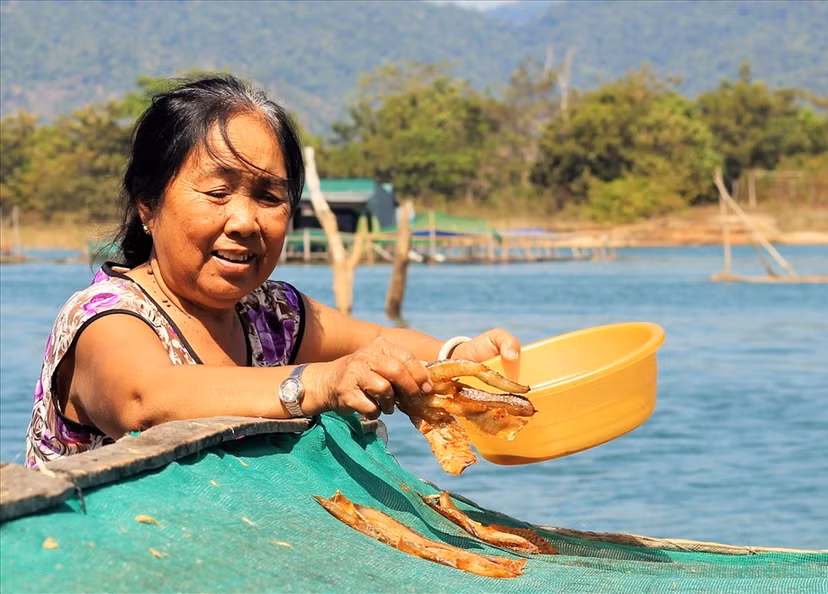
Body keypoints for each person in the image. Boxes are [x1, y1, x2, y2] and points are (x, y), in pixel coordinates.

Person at [25, 75, 520, 467]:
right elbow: (144, 400)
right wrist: (320, 382)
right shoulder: (105, 316)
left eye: (268, 197)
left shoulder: (273, 315)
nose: (244, 222)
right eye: (217, 193)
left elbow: (381, 343)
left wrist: (456, 356)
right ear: (148, 206)